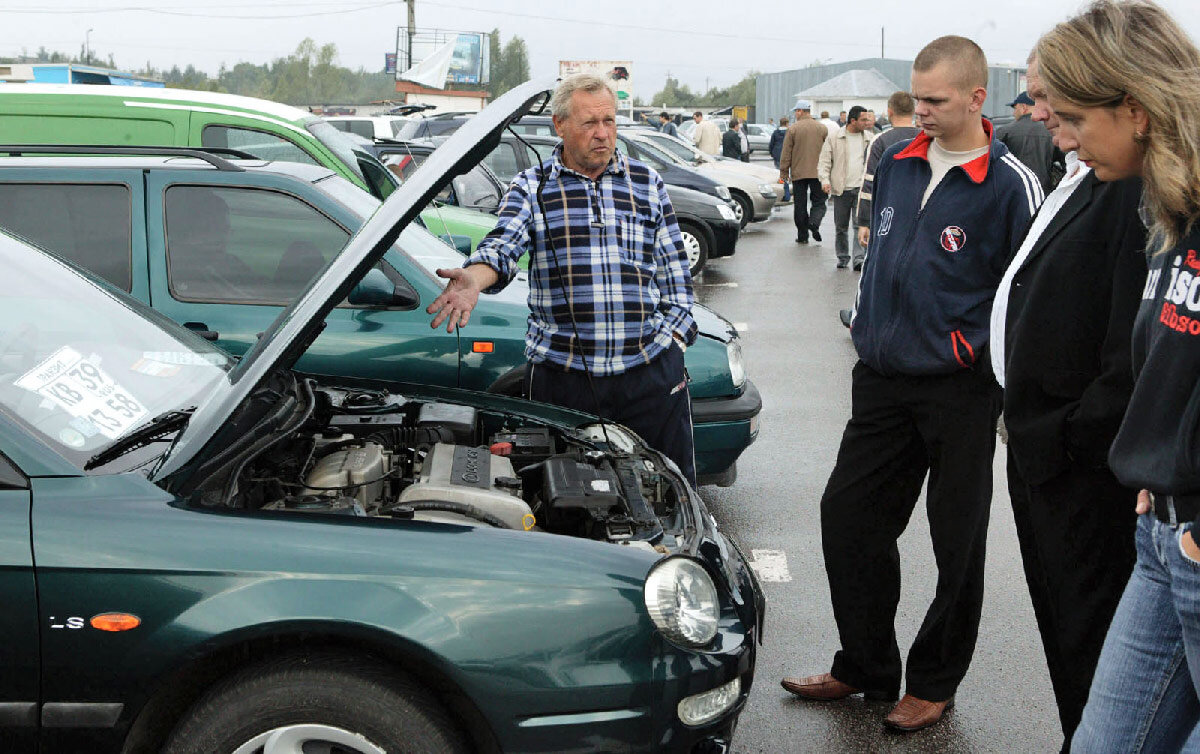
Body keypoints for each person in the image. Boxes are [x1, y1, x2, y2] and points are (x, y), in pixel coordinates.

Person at [780, 35, 1041, 732]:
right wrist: (869, 324)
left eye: (935, 101)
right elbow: (881, 250)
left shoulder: (1011, 184)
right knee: (849, 519)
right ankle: (865, 665)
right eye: (915, 98)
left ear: (976, 98)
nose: (918, 112)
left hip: (960, 389)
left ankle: (933, 682)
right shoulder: (894, 158)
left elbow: (1030, 294)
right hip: (883, 378)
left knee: (958, 543)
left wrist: (969, 348)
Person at [1031, 2, 1200, 751]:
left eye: (1071, 117)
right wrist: (1155, 457)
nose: (1059, 137)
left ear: (1133, 107)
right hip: (1159, 533)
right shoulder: (1171, 210)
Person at [425, 74, 698, 484]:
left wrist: (674, 341)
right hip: (565, 382)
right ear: (560, 125)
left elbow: (674, 271)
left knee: (669, 491)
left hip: (650, 374)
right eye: (589, 123)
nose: (603, 134)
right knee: (569, 501)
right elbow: (503, 245)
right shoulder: (532, 187)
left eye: (609, 121)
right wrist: (474, 280)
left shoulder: (646, 182)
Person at [992, 47, 1146, 753]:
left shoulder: (1128, 189)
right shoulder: (1086, 174)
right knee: (1067, 632)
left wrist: (1065, 439)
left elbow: (1132, 354)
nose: (1041, 111)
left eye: (1055, 97)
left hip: (1080, 465)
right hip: (1046, 449)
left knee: (1094, 642)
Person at [840, 91, 921, 327]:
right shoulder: (927, 137)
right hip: (921, 212)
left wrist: (863, 221)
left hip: (887, 215)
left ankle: (859, 316)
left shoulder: (881, 141)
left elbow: (868, 185)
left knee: (874, 268)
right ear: (914, 111)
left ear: (890, 112)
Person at [818, 105, 877, 269]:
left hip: (862, 190)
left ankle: (859, 259)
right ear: (853, 121)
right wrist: (825, 180)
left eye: (868, 119)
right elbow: (824, 161)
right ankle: (843, 257)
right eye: (863, 119)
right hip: (841, 189)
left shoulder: (870, 139)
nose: (867, 122)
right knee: (841, 227)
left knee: (860, 225)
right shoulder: (835, 137)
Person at [779, 99, 830, 244]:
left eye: (796, 111)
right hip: (818, 173)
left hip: (798, 173)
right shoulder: (822, 128)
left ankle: (802, 235)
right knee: (819, 201)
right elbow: (828, 151)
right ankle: (814, 222)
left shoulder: (793, 129)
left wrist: (784, 174)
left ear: (801, 111)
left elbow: (786, 153)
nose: (795, 114)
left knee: (800, 204)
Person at [996, 90, 1063, 194]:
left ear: (1023, 107)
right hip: (1044, 192)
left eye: (1015, 108)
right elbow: (1066, 163)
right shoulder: (1052, 132)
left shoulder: (1004, 131)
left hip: (1012, 192)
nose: (1014, 113)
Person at [769, 117, 791, 202]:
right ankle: (787, 194)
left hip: (777, 155)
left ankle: (781, 193)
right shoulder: (790, 132)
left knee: (780, 174)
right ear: (786, 123)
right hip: (788, 156)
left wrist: (772, 153)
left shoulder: (775, 133)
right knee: (788, 175)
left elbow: (771, 144)